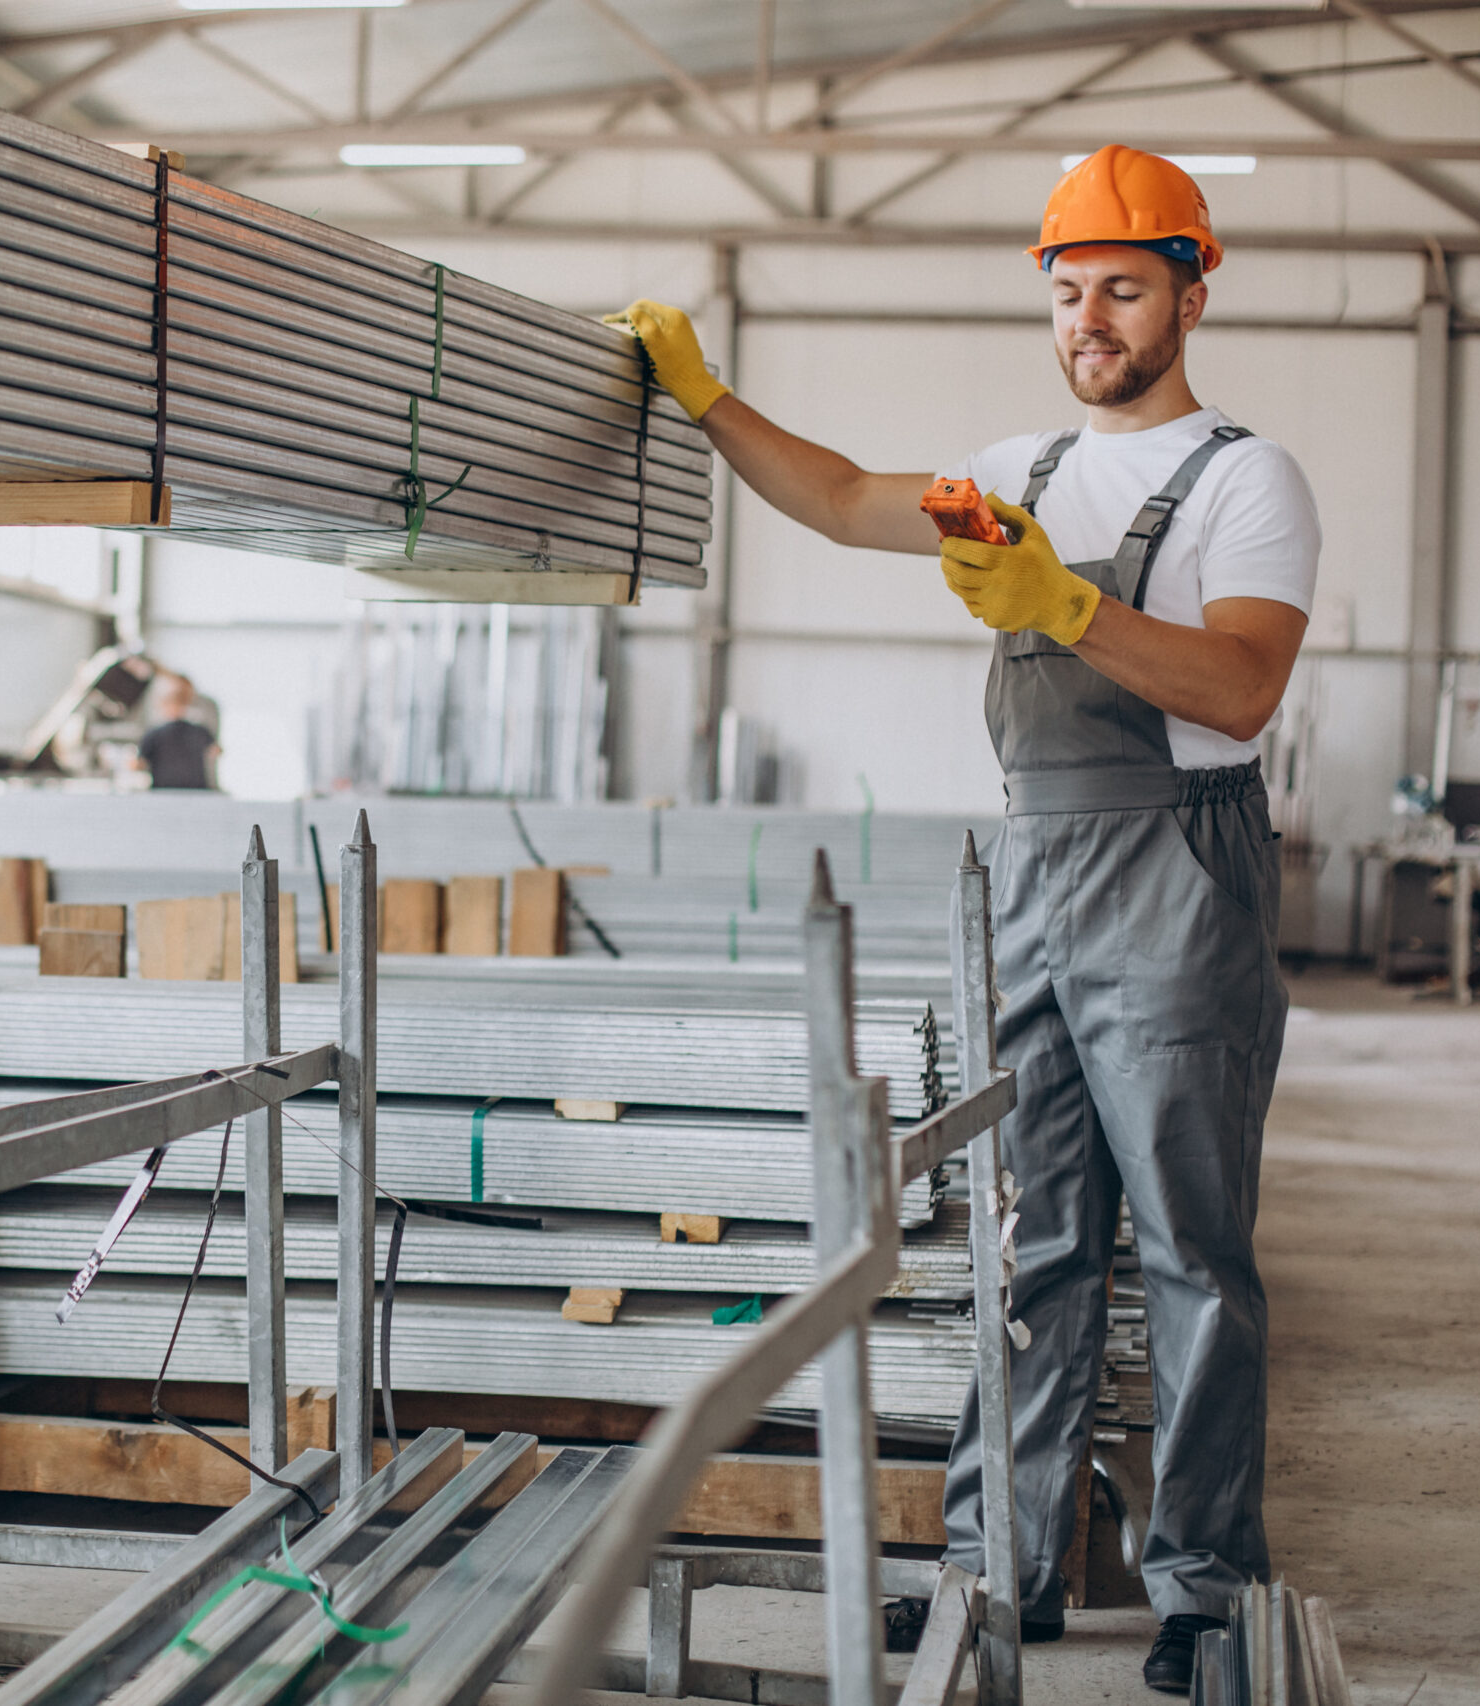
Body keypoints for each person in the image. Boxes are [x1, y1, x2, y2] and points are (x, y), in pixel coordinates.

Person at [607, 144, 1317, 1694]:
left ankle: (1199, 1580)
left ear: (1193, 288)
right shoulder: (1024, 478)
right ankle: (1002, 1561)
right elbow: (853, 498)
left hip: (1179, 873)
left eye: (1124, 288)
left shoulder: (1248, 479)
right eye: (1068, 293)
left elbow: (1243, 685)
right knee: (1029, 1239)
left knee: (1193, 1248)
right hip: (1035, 874)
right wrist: (707, 399)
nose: (1091, 321)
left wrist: (1069, 608)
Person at [135, 673, 220, 790]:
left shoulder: (154, 733)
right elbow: (216, 751)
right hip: (193, 790)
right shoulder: (200, 730)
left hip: (167, 789)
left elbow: (139, 764)